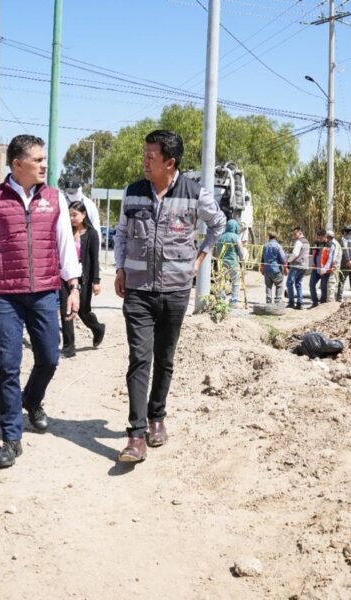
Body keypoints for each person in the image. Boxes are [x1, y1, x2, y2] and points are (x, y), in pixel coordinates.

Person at [0, 134, 81, 469]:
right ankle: (11, 438)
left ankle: (32, 400)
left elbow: (63, 243)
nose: (45, 165)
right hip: (6, 296)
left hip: (45, 290)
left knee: (49, 356)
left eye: (45, 159)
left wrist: (73, 285)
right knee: (9, 364)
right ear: (17, 164)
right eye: (39, 160)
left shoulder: (54, 198)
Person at [114, 130, 225, 462]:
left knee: (165, 359)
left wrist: (201, 258)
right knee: (139, 358)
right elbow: (120, 232)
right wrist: (120, 268)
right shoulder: (133, 193)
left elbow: (218, 224)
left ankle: (157, 418)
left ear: (170, 162)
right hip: (137, 291)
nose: (145, 161)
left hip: (176, 291)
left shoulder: (195, 194)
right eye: (144, 154)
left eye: (151, 156)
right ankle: (135, 436)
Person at [60, 200, 106, 357]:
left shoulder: (91, 234)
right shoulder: (66, 232)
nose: (72, 218)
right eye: (70, 215)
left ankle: (98, 328)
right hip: (67, 276)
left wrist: (96, 281)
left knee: (83, 311)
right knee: (66, 309)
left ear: (84, 214)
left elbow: (94, 259)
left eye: (75, 215)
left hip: (84, 278)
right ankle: (69, 346)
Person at [63, 176, 101, 247]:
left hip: (84, 247)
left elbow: (96, 230)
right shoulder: (61, 204)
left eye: (73, 191)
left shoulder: (90, 205)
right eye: (69, 191)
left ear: (80, 188)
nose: (71, 194)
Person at [215, 218, 244, 306]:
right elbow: (240, 250)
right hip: (233, 263)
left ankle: (221, 299)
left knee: (221, 281)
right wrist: (242, 260)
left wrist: (218, 259)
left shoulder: (220, 237)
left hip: (222, 263)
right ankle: (234, 300)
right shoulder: (236, 237)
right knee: (235, 281)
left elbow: (217, 251)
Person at [285, 226, 310, 310]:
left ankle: (291, 302)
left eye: (295, 234)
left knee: (289, 282)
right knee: (298, 283)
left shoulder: (299, 242)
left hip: (296, 265)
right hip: (305, 265)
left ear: (300, 233)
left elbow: (295, 253)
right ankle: (300, 303)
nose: (294, 235)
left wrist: (288, 261)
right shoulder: (307, 242)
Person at [260, 232, 287, 304]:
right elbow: (283, 258)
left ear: (269, 238)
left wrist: (262, 268)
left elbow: (262, 258)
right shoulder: (278, 246)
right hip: (276, 269)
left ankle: (268, 301)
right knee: (279, 285)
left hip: (267, 269)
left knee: (268, 286)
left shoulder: (265, 246)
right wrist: (285, 267)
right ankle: (277, 301)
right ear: (276, 238)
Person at [308, 229, 330, 308]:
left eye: (321, 238)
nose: (319, 240)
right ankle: (315, 302)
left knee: (323, 287)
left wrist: (325, 268)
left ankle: (323, 303)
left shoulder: (329, 244)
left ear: (325, 237)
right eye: (318, 238)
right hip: (316, 268)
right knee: (311, 285)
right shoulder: (316, 244)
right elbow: (314, 254)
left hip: (325, 270)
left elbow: (330, 258)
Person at [334, 225, 351, 302]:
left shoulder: (344, 239)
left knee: (342, 281)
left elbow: (345, 249)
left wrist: (348, 260)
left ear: (345, 232)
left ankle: (339, 298)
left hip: (345, 262)